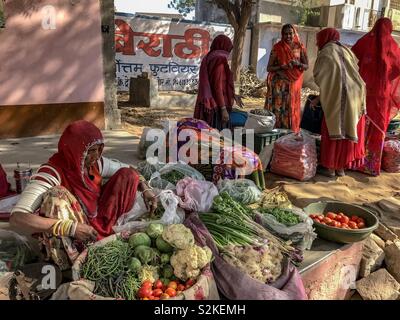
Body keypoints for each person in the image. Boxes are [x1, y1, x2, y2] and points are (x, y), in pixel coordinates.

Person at [10, 120, 157, 270]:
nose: (97, 155)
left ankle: (105, 238)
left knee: (128, 175)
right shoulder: (51, 172)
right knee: (57, 194)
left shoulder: (95, 164)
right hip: (75, 231)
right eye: (91, 151)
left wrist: (146, 189)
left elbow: (130, 170)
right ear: (75, 150)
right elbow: (17, 218)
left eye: (99, 149)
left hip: (99, 222)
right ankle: (76, 261)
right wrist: (70, 228)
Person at [312, 28, 366, 177]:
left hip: (336, 97)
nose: (317, 43)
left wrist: (320, 97)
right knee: (346, 130)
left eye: (318, 40)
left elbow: (322, 78)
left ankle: (329, 168)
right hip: (355, 96)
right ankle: (340, 168)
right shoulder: (346, 51)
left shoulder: (326, 53)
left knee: (332, 130)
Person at [351, 18, 400, 176]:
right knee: (377, 130)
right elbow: (398, 68)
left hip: (363, 93)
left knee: (361, 126)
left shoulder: (365, 41)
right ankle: (371, 166)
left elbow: (352, 60)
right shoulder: (393, 46)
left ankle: (355, 161)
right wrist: (385, 79)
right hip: (382, 97)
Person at [264, 24, 308, 132]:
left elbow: (306, 66)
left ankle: (290, 134)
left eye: (290, 33)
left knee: (291, 109)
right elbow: (269, 68)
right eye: (285, 34)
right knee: (279, 110)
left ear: (294, 33)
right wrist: (282, 67)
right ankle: (276, 132)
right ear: (282, 35)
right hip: (279, 86)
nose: (288, 36)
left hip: (294, 84)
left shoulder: (300, 47)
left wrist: (298, 64)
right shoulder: (277, 48)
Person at [194, 34, 243, 130]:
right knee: (218, 138)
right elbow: (217, 87)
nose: (229, 51)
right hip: (217, 108)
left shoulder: (211, 57)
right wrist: (223, 109)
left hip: (214, 104)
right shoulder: (219, 59)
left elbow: (217, 83)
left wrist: (233, 95)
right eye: (229, 48)